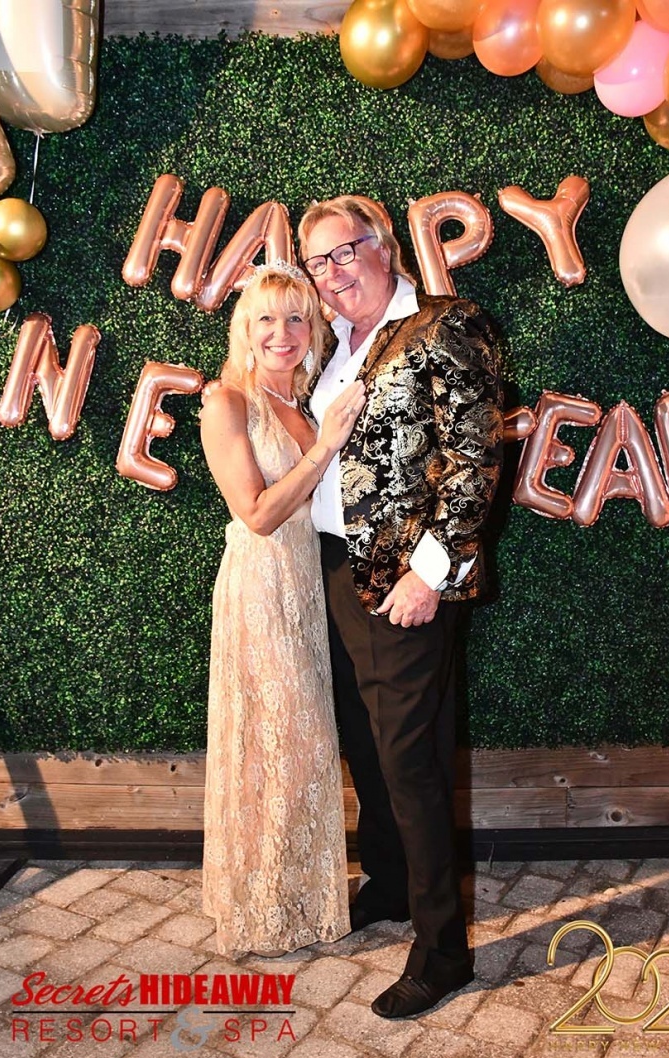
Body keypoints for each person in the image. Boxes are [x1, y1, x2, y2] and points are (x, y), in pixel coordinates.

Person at [298, 197, 504, 1016]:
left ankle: (442, 949)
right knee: (365, 742)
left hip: (402, 583)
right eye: (318, 262)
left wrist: (430, 575)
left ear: (383, 246)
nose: (332, 273)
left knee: (411, 763)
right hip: (331, 571)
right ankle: (388, 882)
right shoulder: (335, 345)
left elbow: (475, 456)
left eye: (345, 252)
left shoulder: (445, 324)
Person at [199, 260, 365, 957]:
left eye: (297, 317)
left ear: (314, 329)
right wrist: (326, 446)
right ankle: (262, 908)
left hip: (310, 583)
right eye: (266, 318)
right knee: (275, 745)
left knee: (305, 746)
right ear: (245, 329)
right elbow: (259, 512)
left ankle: (298, 895)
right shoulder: (227, 402)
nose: (282, 332)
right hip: (261, 586)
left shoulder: (307, 402)